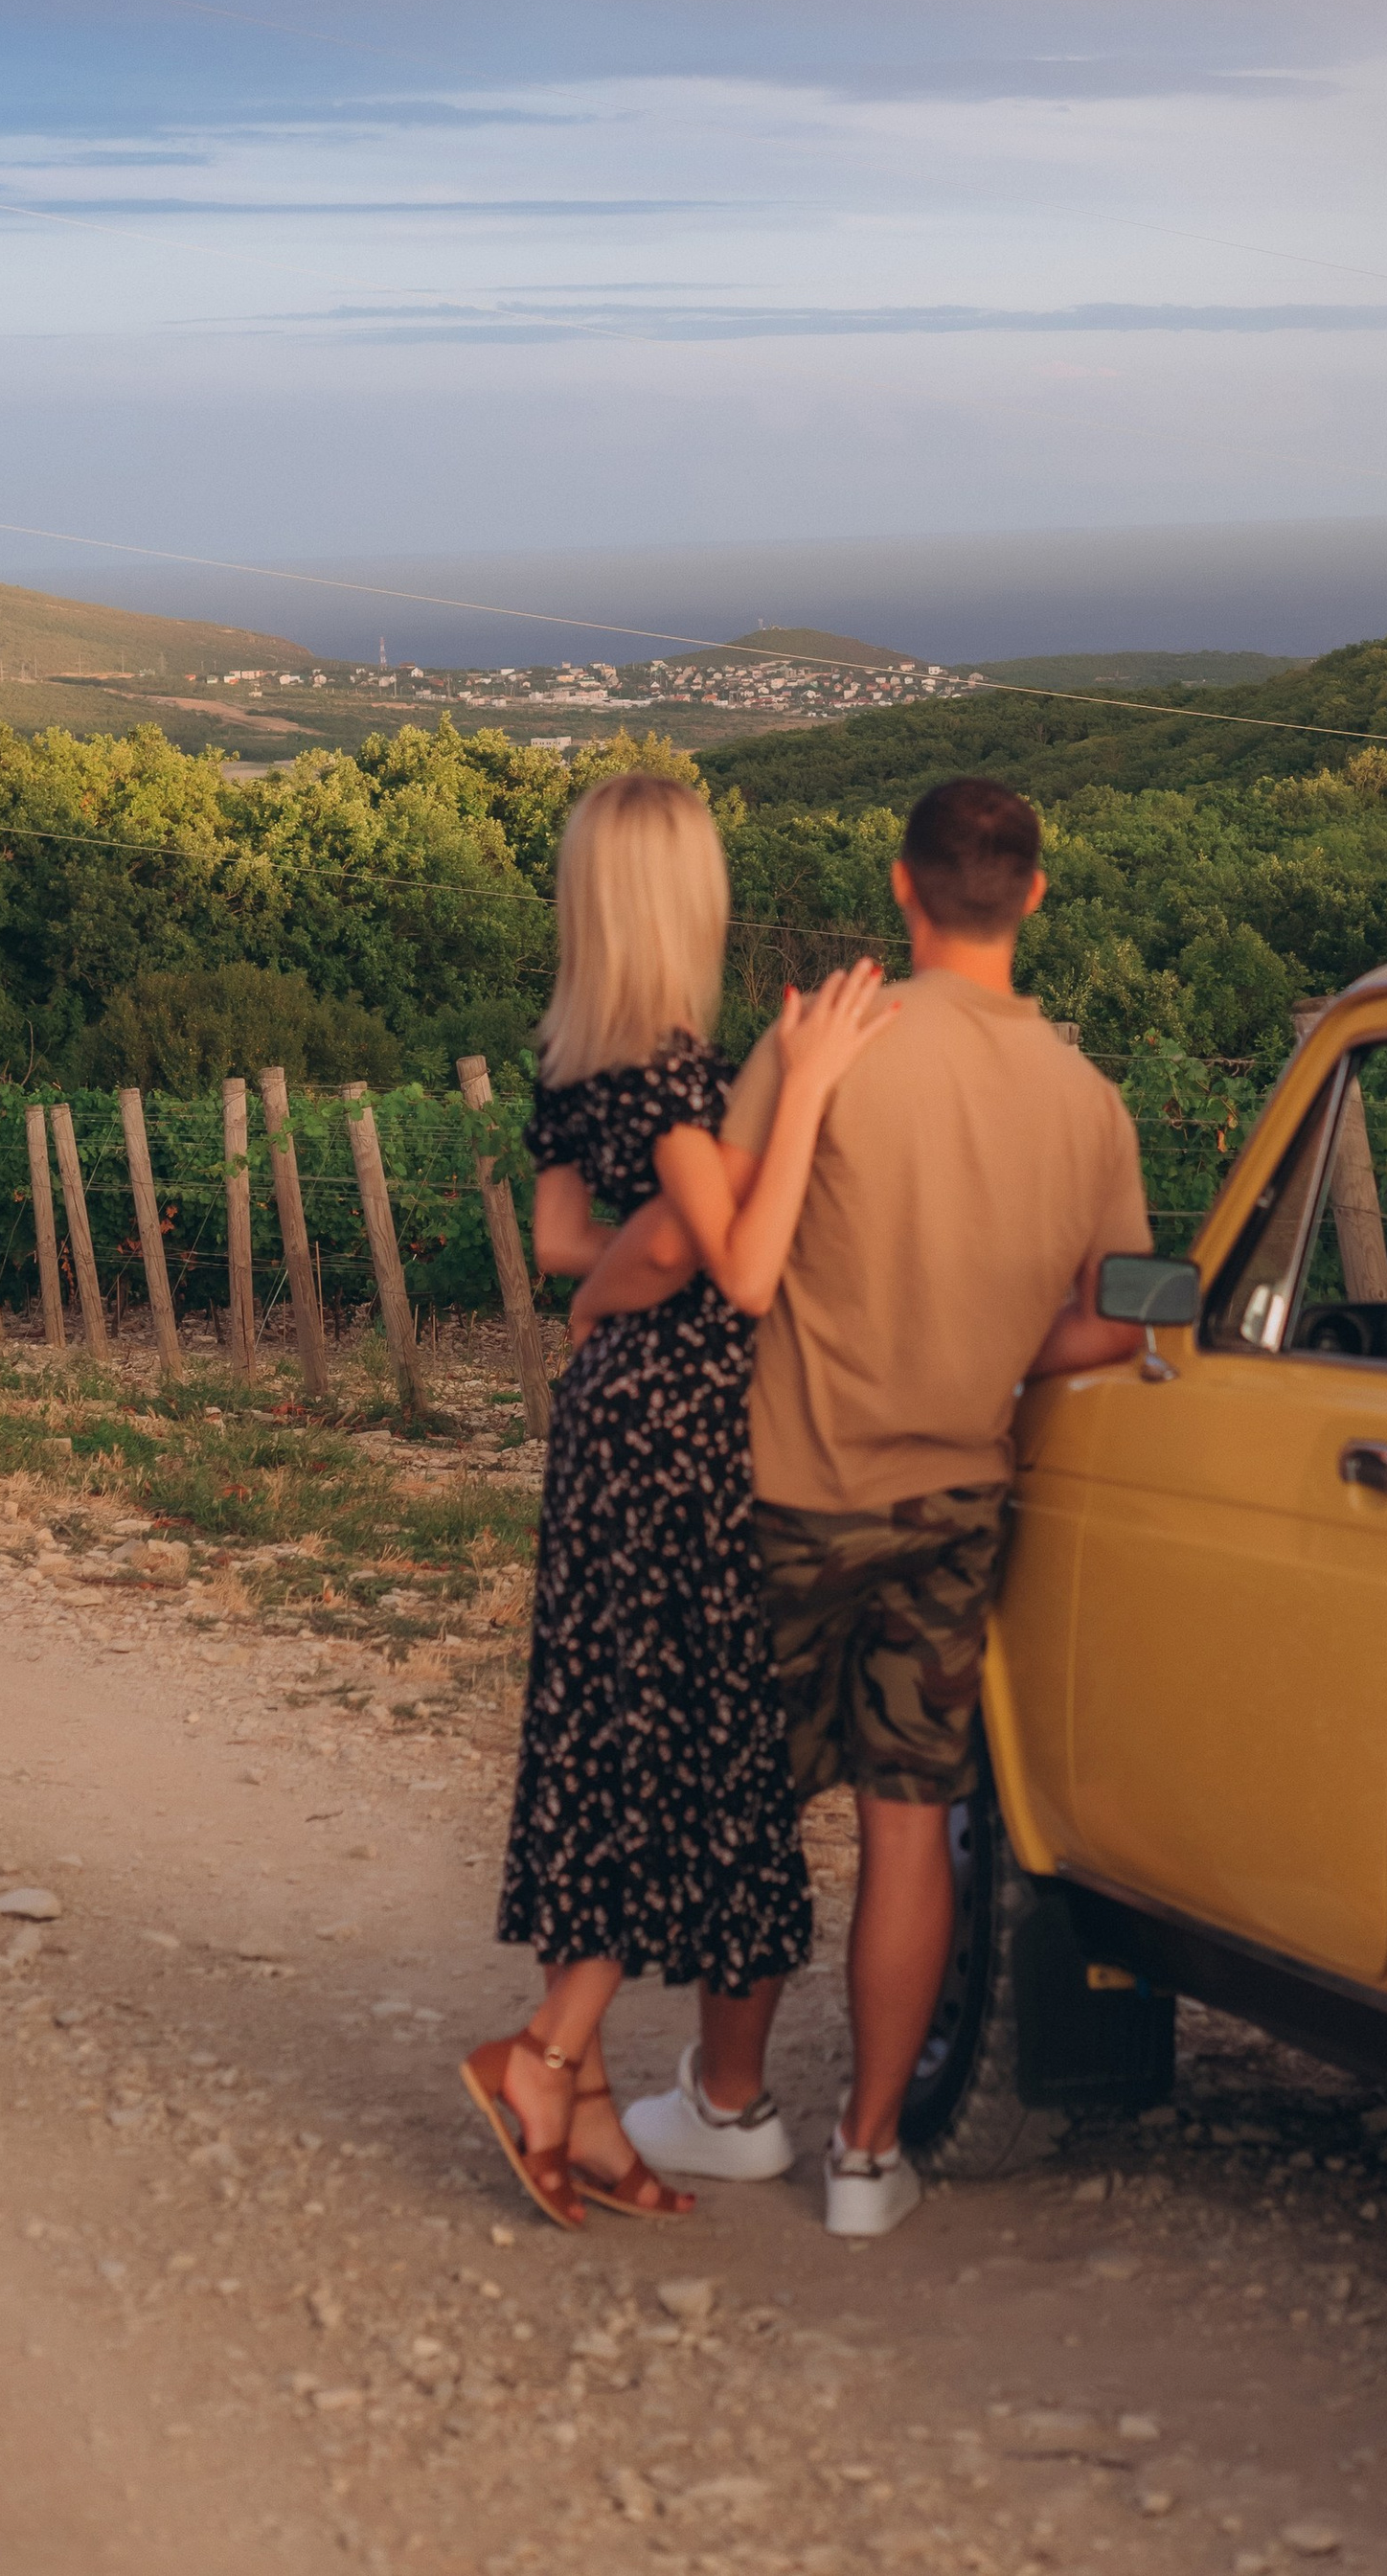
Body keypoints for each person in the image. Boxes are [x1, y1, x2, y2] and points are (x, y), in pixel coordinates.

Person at [575, 775, 1154, 2237]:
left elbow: (709, 1231)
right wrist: (996, 1337)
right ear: (1035, 894)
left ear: (903, 890)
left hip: (787, 1489)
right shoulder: (1091, 1103)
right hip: (956, 1495)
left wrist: (591, 1282)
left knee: (752, 1811)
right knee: (911, 1820)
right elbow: (1114, 1321)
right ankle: (869, 2157)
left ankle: (728, 2104)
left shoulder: (829, 1044)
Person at [462, 767, 898, 2230]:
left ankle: (581, 2103)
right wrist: (808, 1089)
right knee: (661, 1750)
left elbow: (560, 1241)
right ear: (680, 899)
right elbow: (752, 1270)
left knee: (606, 1731)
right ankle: (543, 2059)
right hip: (676, 1436)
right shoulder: (661, 1070)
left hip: (611, 1421)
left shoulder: (583, 1057)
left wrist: (639, 1263)